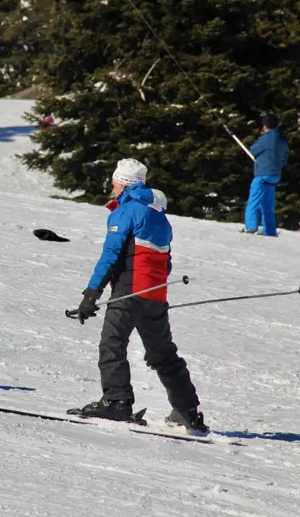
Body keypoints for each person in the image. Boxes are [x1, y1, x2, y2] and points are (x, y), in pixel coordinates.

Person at [69, 158, 208, 434]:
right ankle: (187, 412)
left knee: (112, 343)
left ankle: (117, 402)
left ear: (124, 183)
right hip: (155, 294)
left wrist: (90, 294)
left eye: (115, 180)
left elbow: (111, 255)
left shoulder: (125, 211)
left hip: (130, 290)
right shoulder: (159, 215)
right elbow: (165, 263)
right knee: (163, 354)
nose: (112, 185)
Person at [243, 113, 289, 236]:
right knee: (267, 205)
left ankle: (250, 228)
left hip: (262, 175)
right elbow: (284, 160)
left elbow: (253, 150)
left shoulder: (266, 138)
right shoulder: (282, 140)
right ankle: (269, 231)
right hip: (275, 177)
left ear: (265, 126)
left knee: (254, 202)